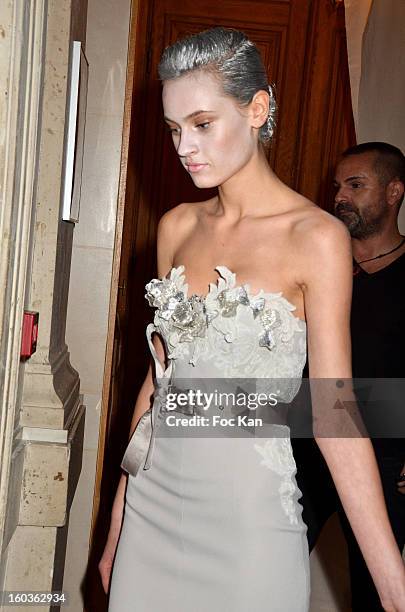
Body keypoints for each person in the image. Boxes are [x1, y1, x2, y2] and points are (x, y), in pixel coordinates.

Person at [99, 28, 405, 611]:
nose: (185, 145)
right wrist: (117, 521)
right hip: (151, 508)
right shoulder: (176, 227)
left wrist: (393, 585)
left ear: (258, 108)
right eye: (174, 130)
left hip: (249, 523)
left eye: (203, 123)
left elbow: (335, 412)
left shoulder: (316, 237)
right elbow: (158, 384)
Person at [294, 142, 405, 611]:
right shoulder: (316, 268)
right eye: (337, 186)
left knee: (374, 593)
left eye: (356, 185)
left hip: (386, 460)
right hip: (305, 447)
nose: (340, 196)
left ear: (394, 192)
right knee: (267, 571)